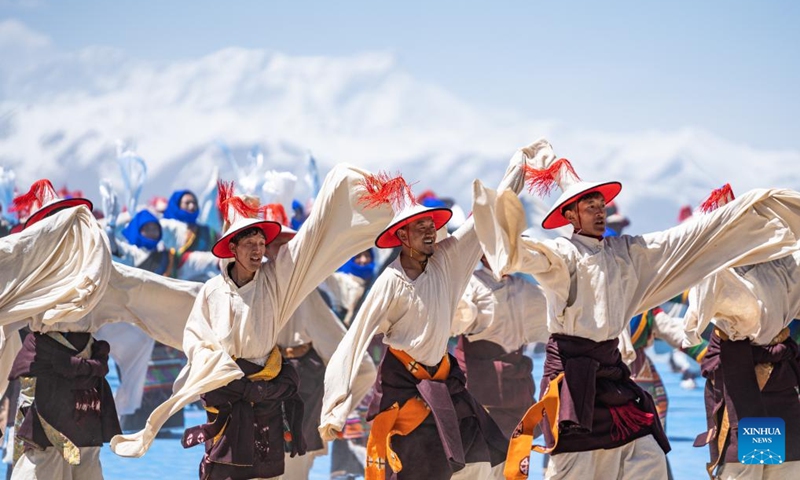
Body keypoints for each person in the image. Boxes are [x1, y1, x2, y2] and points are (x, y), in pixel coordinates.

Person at [470, 139, 800, 480]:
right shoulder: (562, 254)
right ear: (569, 215)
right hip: (579, 377)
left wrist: (746, 212)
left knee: (651, 458)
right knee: (577, 467)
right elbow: (529, 256)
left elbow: (683, 240)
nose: (600, 211)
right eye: (590, 206)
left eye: (602, 205)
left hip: (761, 380)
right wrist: (508, 236)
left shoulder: (626, 254)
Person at [110, 165, 398, 480]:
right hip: (228, 393)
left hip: (272, 395)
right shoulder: (212, 291)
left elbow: (312, 243)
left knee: (276, 472)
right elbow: (194, 335)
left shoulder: (278, 283)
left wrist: (341, 190)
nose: (262, 250)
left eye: (264, 242)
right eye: (251, 243)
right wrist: (216, 368)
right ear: (232, 248)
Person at [320, 145, 530, 480]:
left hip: (447, 384)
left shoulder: (447, 260)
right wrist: (335, 407)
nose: (431, 229)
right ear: (401, 234)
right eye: (420, 226)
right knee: (415, 470)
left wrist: (516, 172)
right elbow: (354, 340)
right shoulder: (389, 282)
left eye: (431, 223)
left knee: (485, 461)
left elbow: (485, 218)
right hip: (404, 391)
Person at [1, 179, 201, 480]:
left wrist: (212, 304)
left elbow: (148, 289)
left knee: (86, 459)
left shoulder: (96, 275)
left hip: (86, 381)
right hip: (47, 380)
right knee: (43, 460)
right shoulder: (31, 279)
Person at [683, 184, 800, 480]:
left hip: (779, 376)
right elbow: (693, 319)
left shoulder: (782, 261)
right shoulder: (718, 269)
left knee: (784, 467)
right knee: (744, 466)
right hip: (741, 376)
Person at [260, 202, 378, 480]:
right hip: (258, 390)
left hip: (300, 389)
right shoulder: (250, 288)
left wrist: (333, 410)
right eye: (271, 244)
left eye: (284, 244)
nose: (277, 251)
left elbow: (356, 363)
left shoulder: (306, 292)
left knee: (293, 465)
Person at [452, 256, 548, 438]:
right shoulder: (470, 284)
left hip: (516, 385)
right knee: (483, 453)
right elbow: (457, 318)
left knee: (516, 453)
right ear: (481, 254)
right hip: (481, 384)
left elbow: (555, 311)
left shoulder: (522, 287)